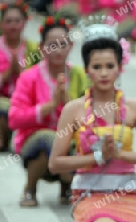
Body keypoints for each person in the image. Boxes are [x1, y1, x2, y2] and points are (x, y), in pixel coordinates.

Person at [48, 15, 136, 222]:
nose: (103, 73)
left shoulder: (134, 108)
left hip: (127, 193)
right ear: (86, 69)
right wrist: (96, 157)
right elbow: (55, 163)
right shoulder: (74, 110)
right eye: (96, 67)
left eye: (110, 66)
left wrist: (121, 156)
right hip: (90, 192)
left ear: (120, 67)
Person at [8, 15, 87, 207]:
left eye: (63, 44)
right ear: (42, 48)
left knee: (83, 139)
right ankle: (31, 187)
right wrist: (50, 105)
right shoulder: (30, 77)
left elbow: (90, 117)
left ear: (71, 46)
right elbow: (14, 119)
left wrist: (67, 101)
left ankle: (66, 185)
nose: (58, 50)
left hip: (70, 143)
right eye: (52, 45)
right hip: (36, 146)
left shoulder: (79, 75)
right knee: (47, 137)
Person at [0, 2, 40, 152]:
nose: (13, 25)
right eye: (8, 21)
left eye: (17, 21)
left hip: (26, 101)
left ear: (25, 23)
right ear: (2, 23)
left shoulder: (34, 49)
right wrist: (9, 72)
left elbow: (41, 78)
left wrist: (22, 72)